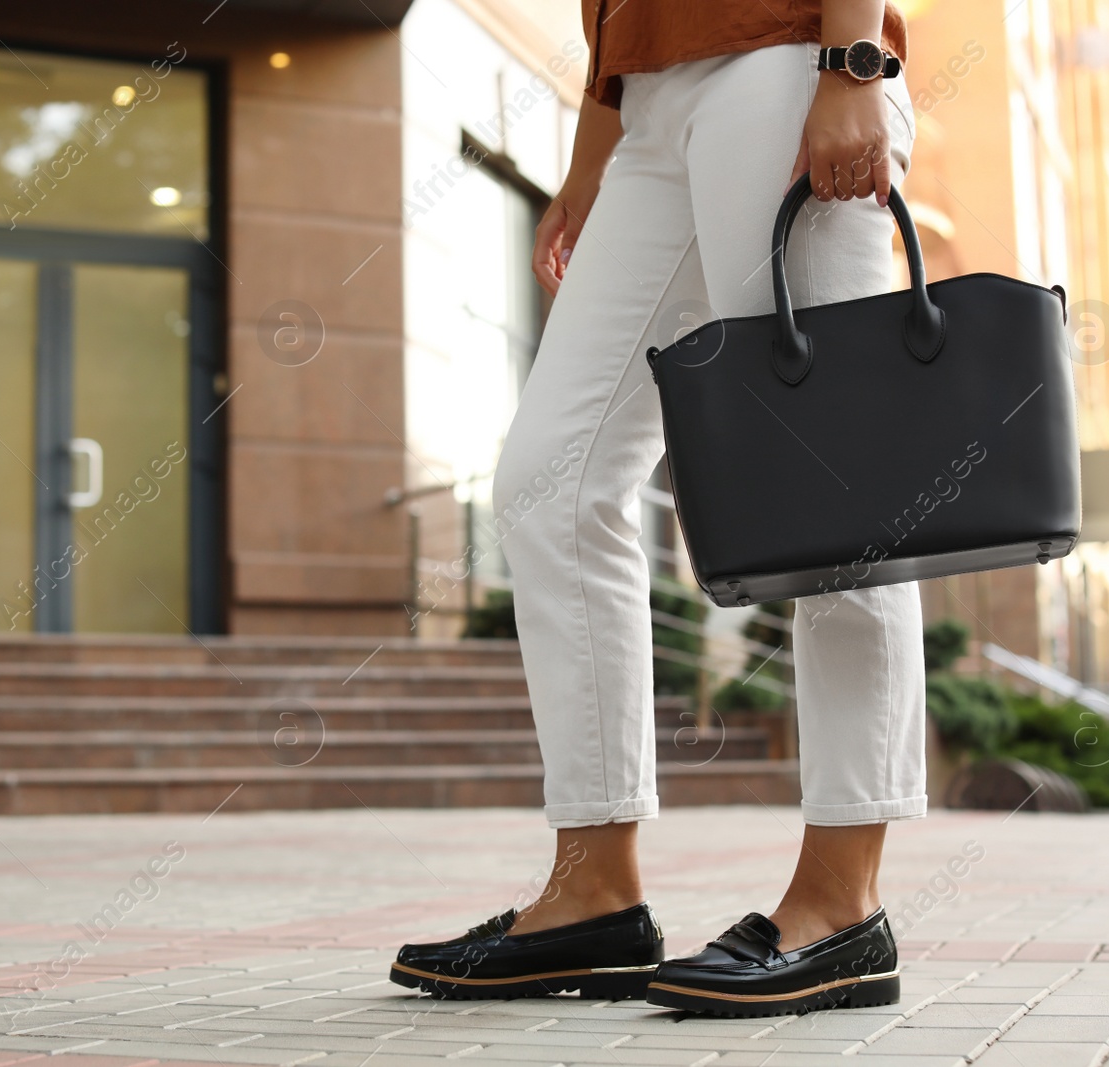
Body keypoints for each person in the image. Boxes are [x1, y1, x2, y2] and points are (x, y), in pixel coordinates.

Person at [390, 0, 926, 1018]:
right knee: (549, 478)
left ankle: (840, 902)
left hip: (785, 59)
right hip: (645, 110)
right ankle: (593, 888)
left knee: (827, 486)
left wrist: (850, 63)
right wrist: (592, 156)